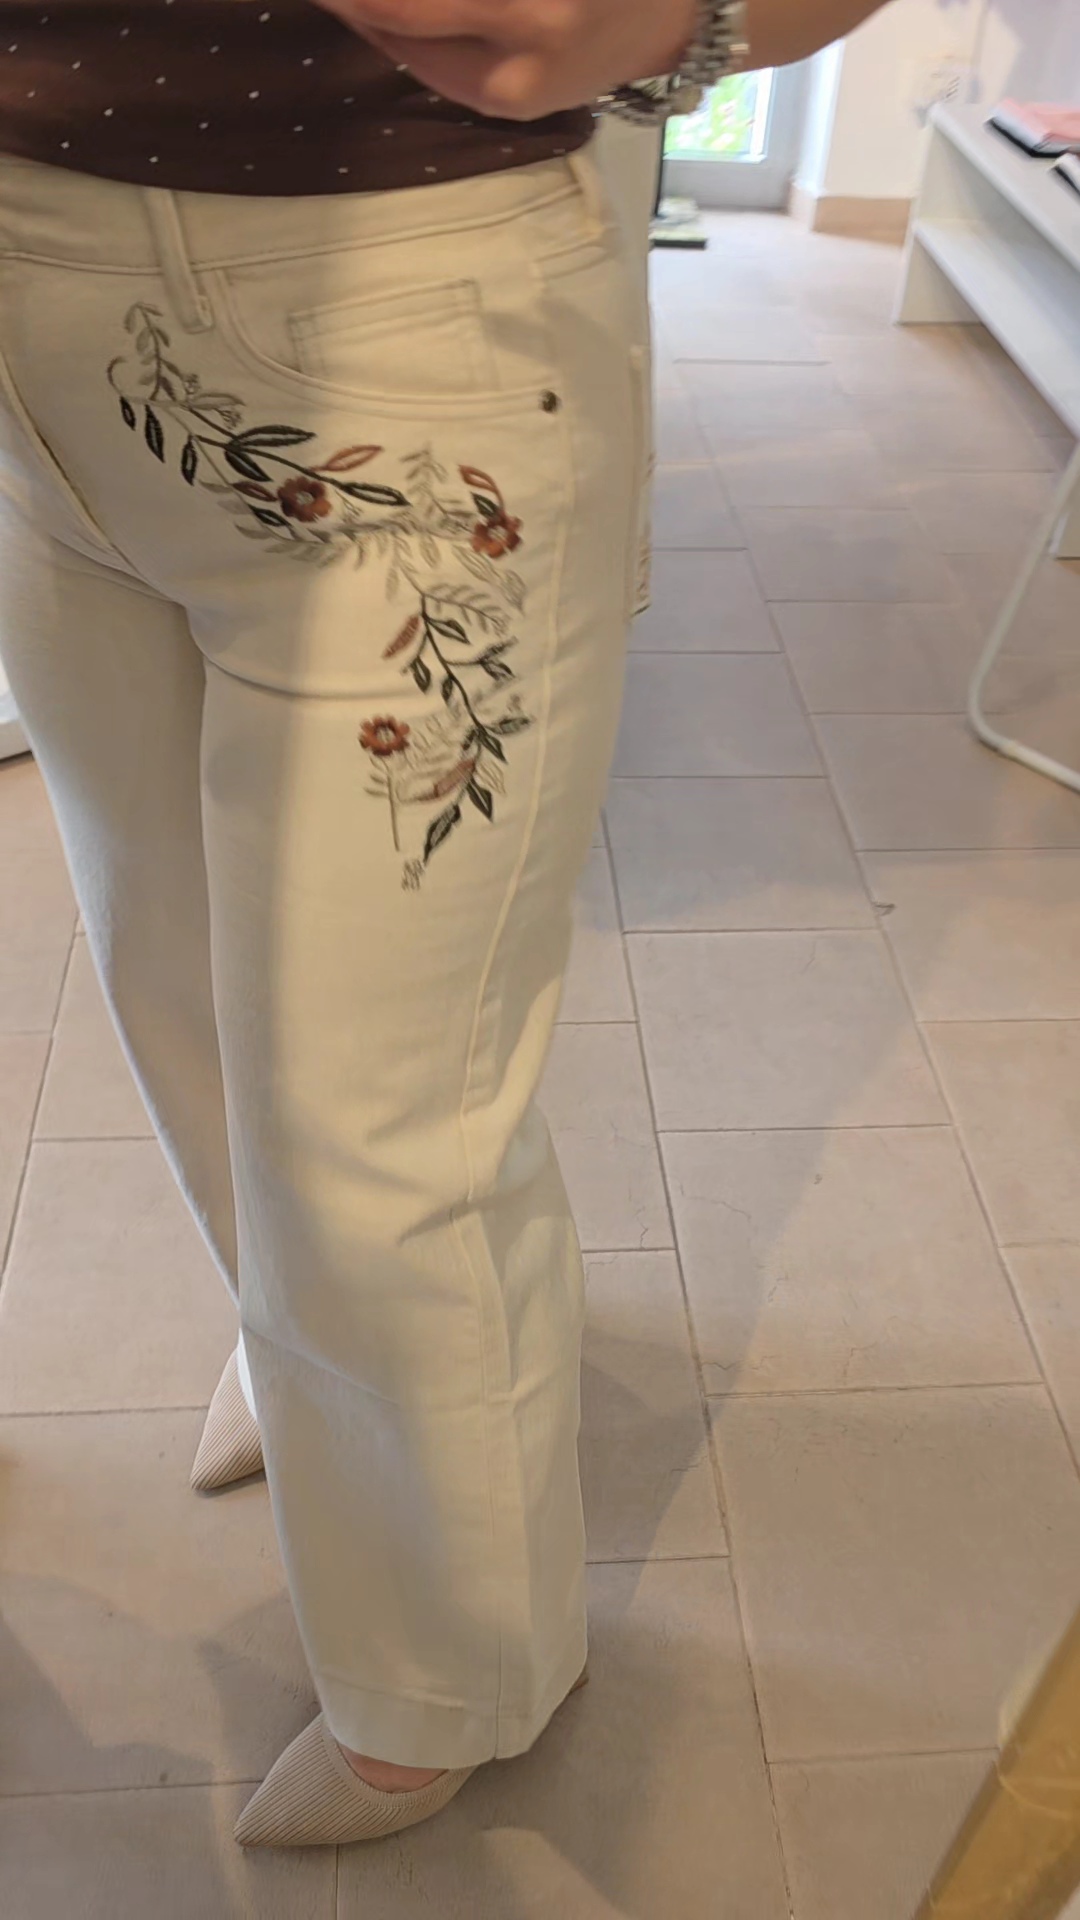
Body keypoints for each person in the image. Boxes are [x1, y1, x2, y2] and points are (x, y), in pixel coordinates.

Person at [0, 0, 887, 1849]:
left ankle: (452, 1673)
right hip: (33, 311)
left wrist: (706, 16)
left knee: (373, 1104)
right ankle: (310, 1351)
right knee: (172, 970)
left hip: (392, 305)